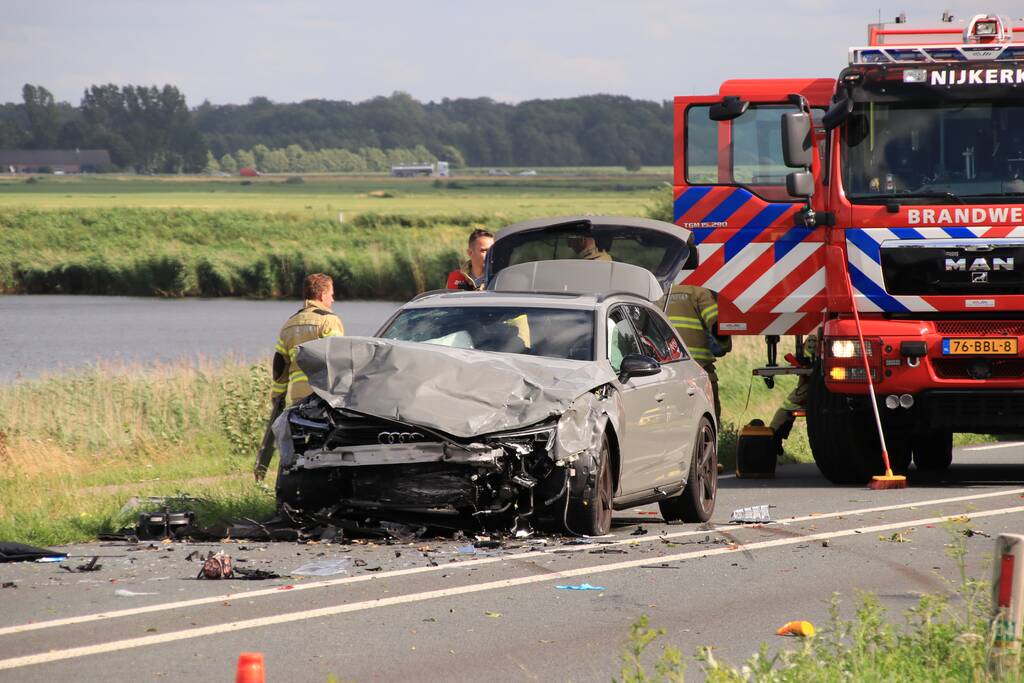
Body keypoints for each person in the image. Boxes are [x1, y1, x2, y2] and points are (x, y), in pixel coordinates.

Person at [254, 273, 344, 480]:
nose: (333, 299)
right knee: (326, 446)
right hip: (322, 397)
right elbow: (336, 360)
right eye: (331, 294)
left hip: (297, 398)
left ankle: (295, 482)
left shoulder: (289, 324)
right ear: (322, 294)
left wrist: (277, 399)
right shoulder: (329, 321)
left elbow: (280, 368)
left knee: (299, 444)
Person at [665, 284, 731, 421]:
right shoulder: (699, 292)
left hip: (667, 373)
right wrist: (724, 346)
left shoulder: (659, 292)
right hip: (699, 370)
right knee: (709, 417)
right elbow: (717, 325)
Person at [770, 332, 818, 456]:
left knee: (789, 405)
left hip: (814, 386)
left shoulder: (813, 340)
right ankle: (774, 437)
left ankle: (774, 436)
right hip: (816, 384)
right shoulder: (816, 339)